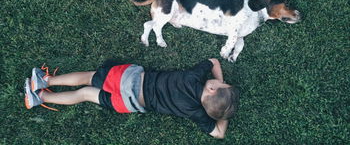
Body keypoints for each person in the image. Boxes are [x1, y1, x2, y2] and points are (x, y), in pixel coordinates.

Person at [24, 58, 239, 139]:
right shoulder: (197, 113)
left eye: (220, 84)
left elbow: (214, 61)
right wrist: (222, 112)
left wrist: (220, 82)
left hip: (129, 81)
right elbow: (219, 133)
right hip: (130, 104)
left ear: (211, 87)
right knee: (84, 95)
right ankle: (40, 98)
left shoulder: (194, 77)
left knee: (89, 77)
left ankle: (44, 82)